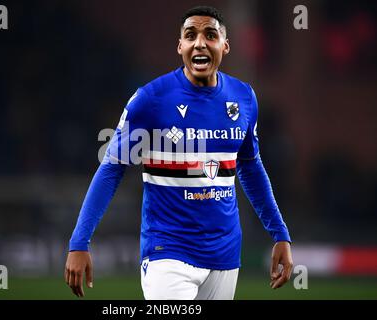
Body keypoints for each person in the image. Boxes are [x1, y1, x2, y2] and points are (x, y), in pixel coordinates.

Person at [65, 5, 293, 300]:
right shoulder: (150, 99)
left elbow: (250, 167)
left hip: (225, 256)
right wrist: (79, 242)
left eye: (210, 35)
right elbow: (111, 168)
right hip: (167, 253)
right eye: (190, 35)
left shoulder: (244, 98)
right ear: (180, 46)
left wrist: (280, 234)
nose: (200, 42)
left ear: (225, 45)